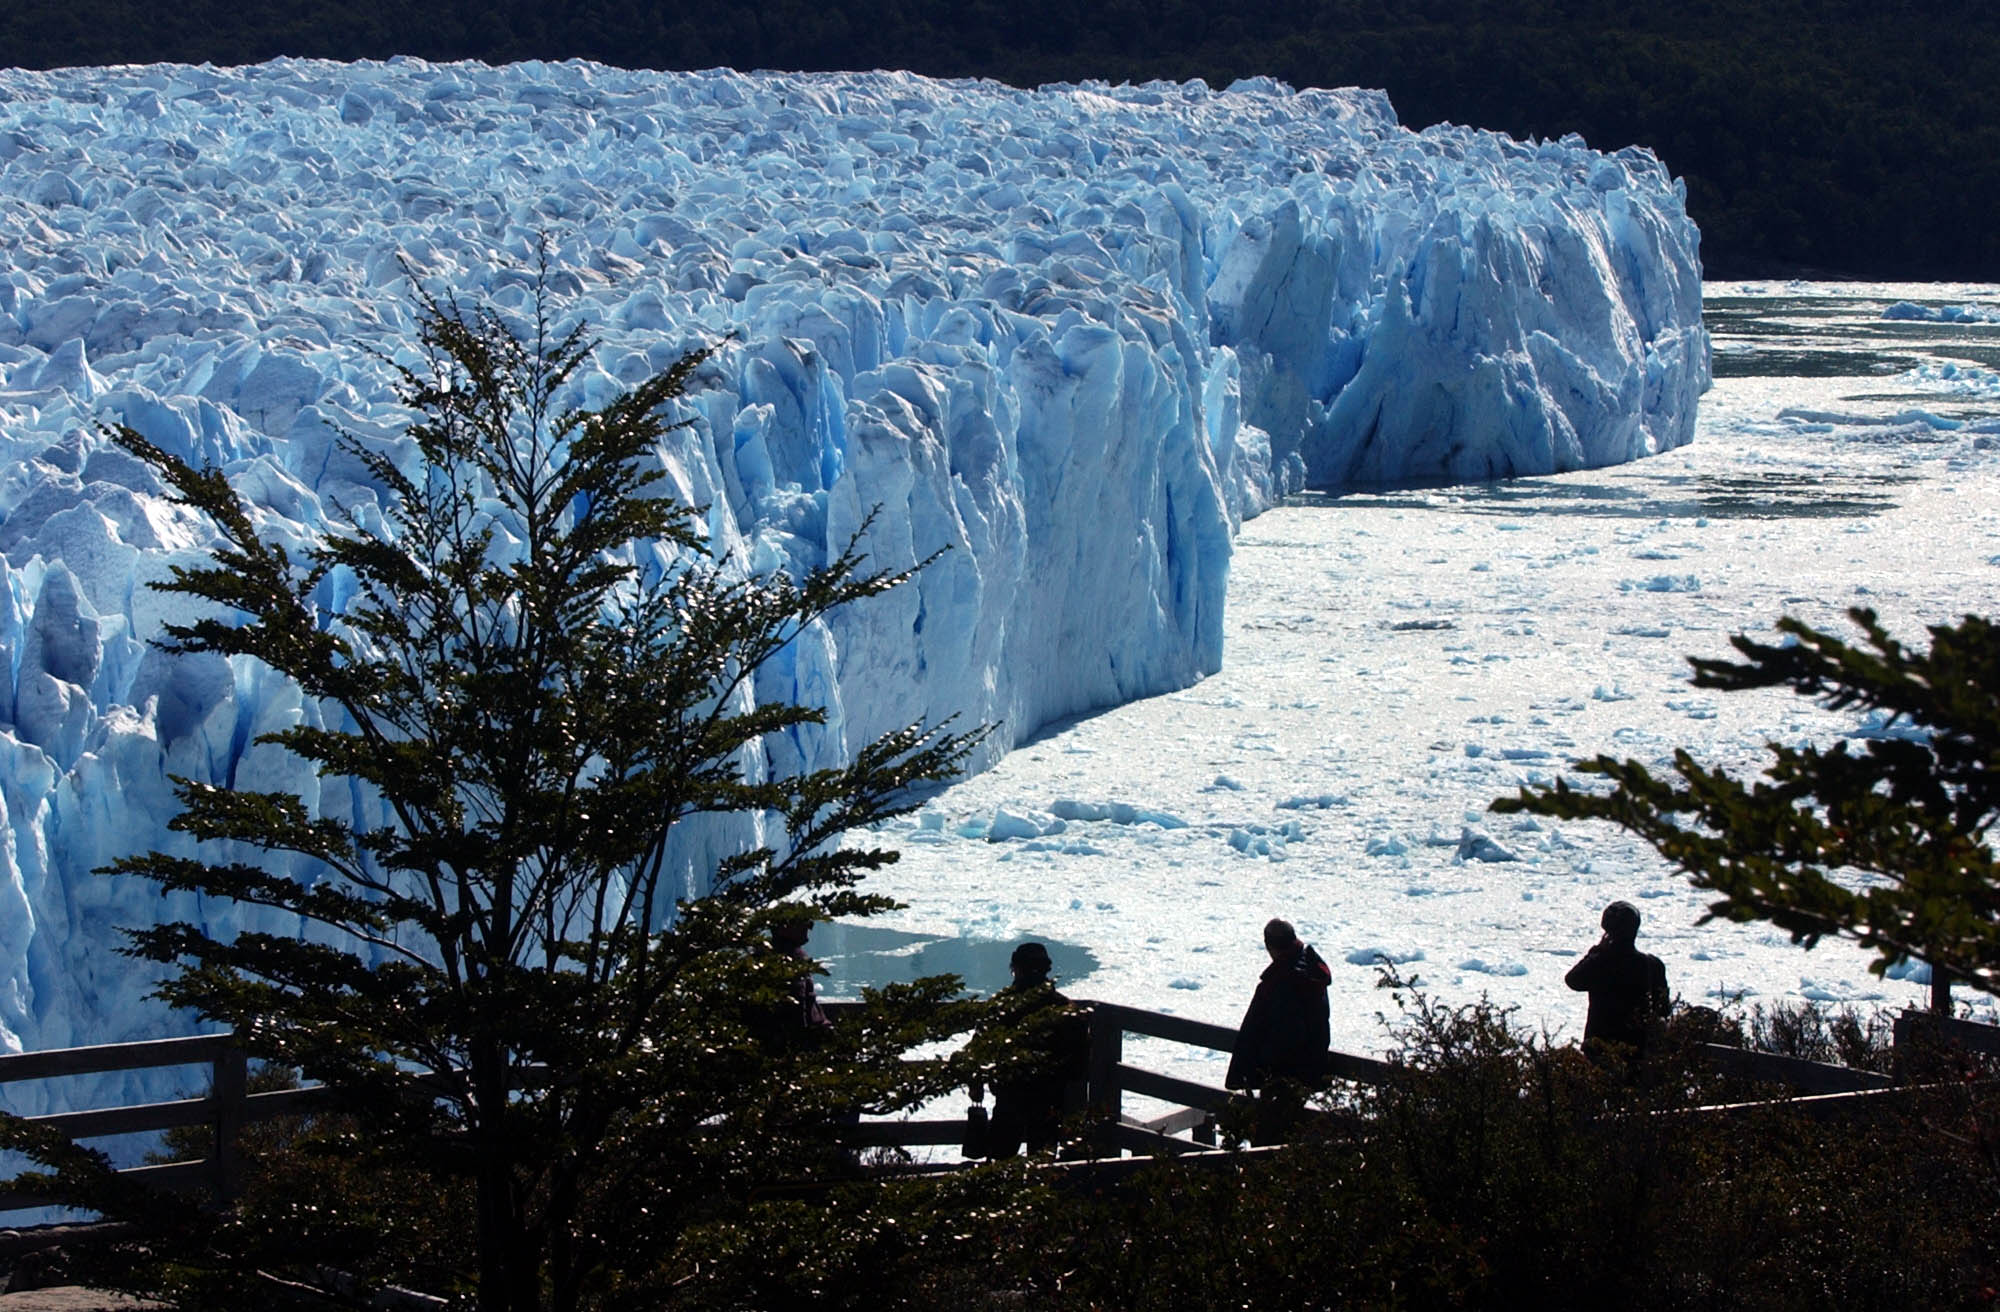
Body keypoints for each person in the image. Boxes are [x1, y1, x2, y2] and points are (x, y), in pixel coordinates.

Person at [1225, 918, 1332, 1143]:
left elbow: (1276, 1034)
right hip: (1306, 1073)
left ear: (1270, 947)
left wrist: (1255, 1071)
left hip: (1279, 1078)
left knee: (1268, 1141)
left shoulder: (1282, 981)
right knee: (1289, 1136)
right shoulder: (1311, 972)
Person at [978, 942, 1089, 1157]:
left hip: (1009, 1096)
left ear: (1015, 968)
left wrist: (982, 1081)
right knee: (1042, 1164)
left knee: (1001, 1161)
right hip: (1049, 1097)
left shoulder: (1003, 1006)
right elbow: (1079, 1061)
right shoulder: (1063, 1008)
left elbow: (981, 1049)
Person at [1565, 900, 1670, 1061]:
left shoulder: (1599, 962)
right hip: (1638, 1053)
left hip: (1599, 1051)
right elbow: (1663, 1009)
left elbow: (1573, 980)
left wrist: (1597, 950)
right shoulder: (1652, 965)